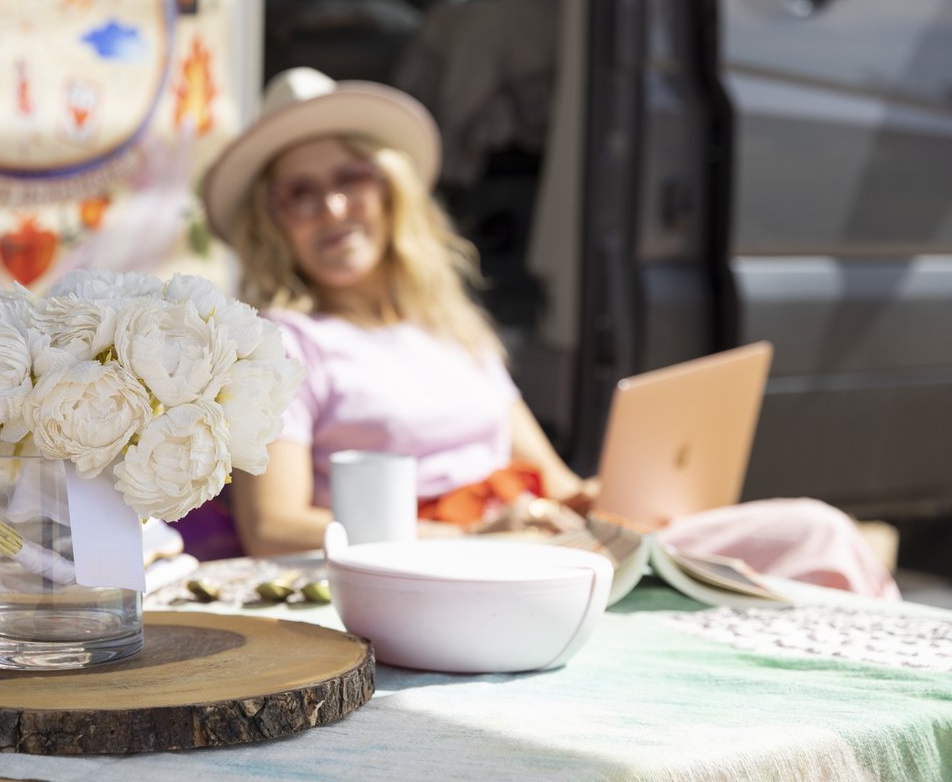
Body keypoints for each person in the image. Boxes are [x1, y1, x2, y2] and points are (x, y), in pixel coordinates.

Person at [199, 66, 901, 600]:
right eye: (299, 192)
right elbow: (275, 527)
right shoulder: (282, 344)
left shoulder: (450, 327)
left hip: (542, 542)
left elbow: (559, 483)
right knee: (820, 540)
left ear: (390, 191)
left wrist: (615, 490)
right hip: (445, 571)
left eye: (351, 177)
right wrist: (471, 537)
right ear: (274, 222)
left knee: (814, 541)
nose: (332, 207)